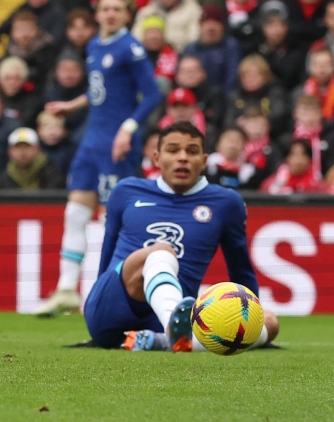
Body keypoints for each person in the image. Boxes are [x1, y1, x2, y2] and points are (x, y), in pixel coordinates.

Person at [84, 122, 279, 352]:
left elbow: (241, 269)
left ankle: (164, 341)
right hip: (113, 307)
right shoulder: (125, 191)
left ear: (204, 161)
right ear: (157, 158)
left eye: (192, 151)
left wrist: (247, 317)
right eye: (173, 150)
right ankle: (176, 332)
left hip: (172, 314)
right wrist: (97, 303)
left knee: (269, 322)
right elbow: (107, 256)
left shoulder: (226, 203)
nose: (183, 158)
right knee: (161, 251)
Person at [38, 0, 161, 317]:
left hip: (117, 146)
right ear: (97, 13)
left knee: (111, 220)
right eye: (105, 8)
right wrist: (71, 104)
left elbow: (152, 95)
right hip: (91, 142)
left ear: (127, 15)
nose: (110, 14)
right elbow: (99, 92)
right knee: (75, 214)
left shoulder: (131, 48)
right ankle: (66, 290)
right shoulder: (94, 45)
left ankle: (112, 292)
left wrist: (128, 128)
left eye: (116, 9)